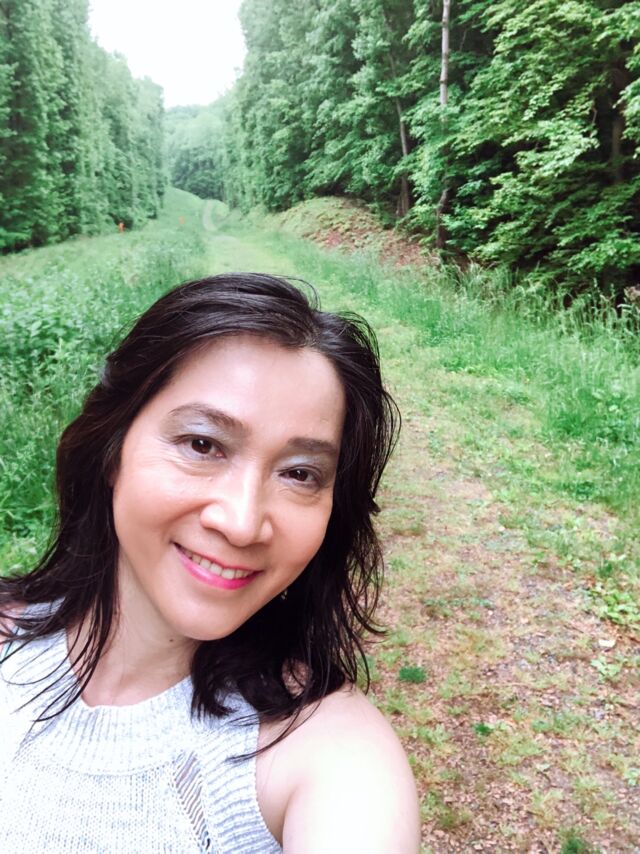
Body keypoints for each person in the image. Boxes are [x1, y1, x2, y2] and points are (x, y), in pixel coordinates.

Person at [0, 273, 420, 852]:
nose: (242, 523)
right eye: (203, 445)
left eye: (300, 474)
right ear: (112, 449)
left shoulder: (327, 755)